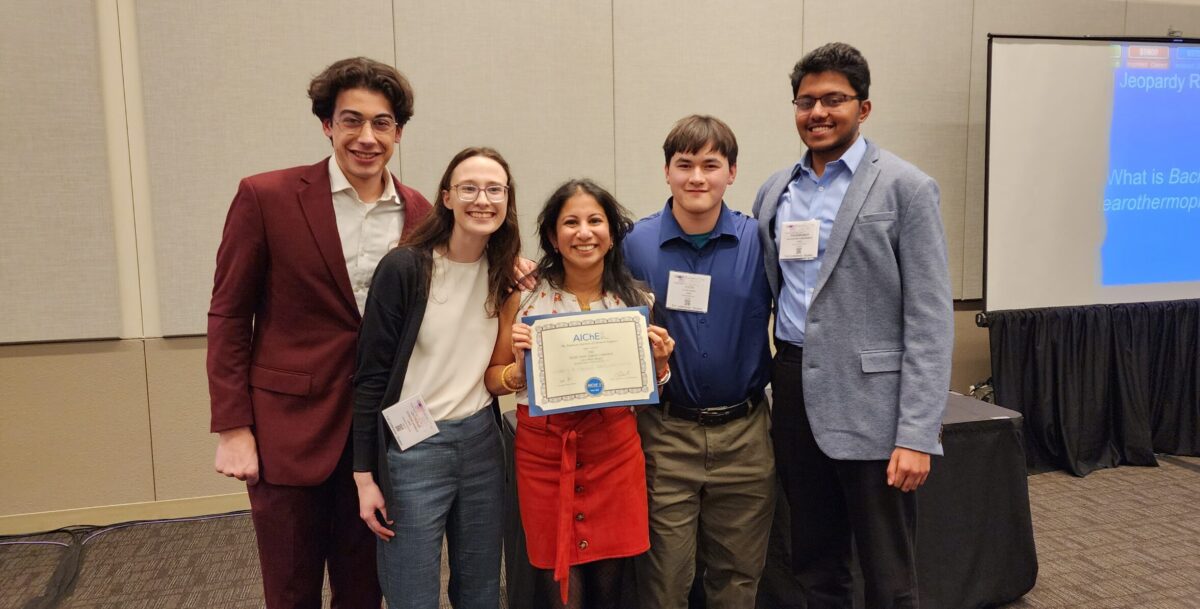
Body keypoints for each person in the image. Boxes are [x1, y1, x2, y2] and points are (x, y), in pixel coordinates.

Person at [208, 57, 431, 609]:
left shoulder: (421, 214)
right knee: (290, 588)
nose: (366, 136)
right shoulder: (267, 197)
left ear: (398, 133)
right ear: (327, 124)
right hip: (288, 430)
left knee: (364, 589)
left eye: (382, 124)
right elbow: (229, 316)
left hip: (377, 435)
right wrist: (233, 426)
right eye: (351, 120)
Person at [752, 42, 954, 609]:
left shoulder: (905, 187)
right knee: (815, 562)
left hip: (874, 403)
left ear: (863, 108)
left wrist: (917, 434)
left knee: (888, 571)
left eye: (833, 99)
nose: (817, 113)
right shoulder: (775, 191)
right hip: (793, 387)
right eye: (805, 101)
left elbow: (932, 318)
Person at [488, 179, 674, 609]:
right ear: (553, 236)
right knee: (559, 586)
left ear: (612, 233)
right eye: (570, 222)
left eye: (595, 221)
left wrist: (661, 364)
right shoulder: (524, 297)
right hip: (545, 453)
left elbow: (652, 386)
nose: (584, 232)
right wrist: (517, 373)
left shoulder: (636, 299)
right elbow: (493, 377)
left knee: (611, 584)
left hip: (615, 450)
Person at [352, 147, 521, 609]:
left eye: (494, 189)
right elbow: (369, 378)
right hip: (413, 447)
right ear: (446, 197)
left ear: (507, 201)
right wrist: (364, 475)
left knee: (481, 587)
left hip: (483, 442)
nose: (482, 199)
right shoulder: (406, 267)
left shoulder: (505, 274)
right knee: (411, 590)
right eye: (469, 188)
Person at [622, 115, 775, 609]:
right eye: (684, 164)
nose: (697, 177)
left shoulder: (760, 241)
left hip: (746, 435)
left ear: (732, 172)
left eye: (711, 164)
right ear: (666, 171)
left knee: (737, 579)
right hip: (667, 435)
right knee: (664, 580)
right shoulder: (635, 244)